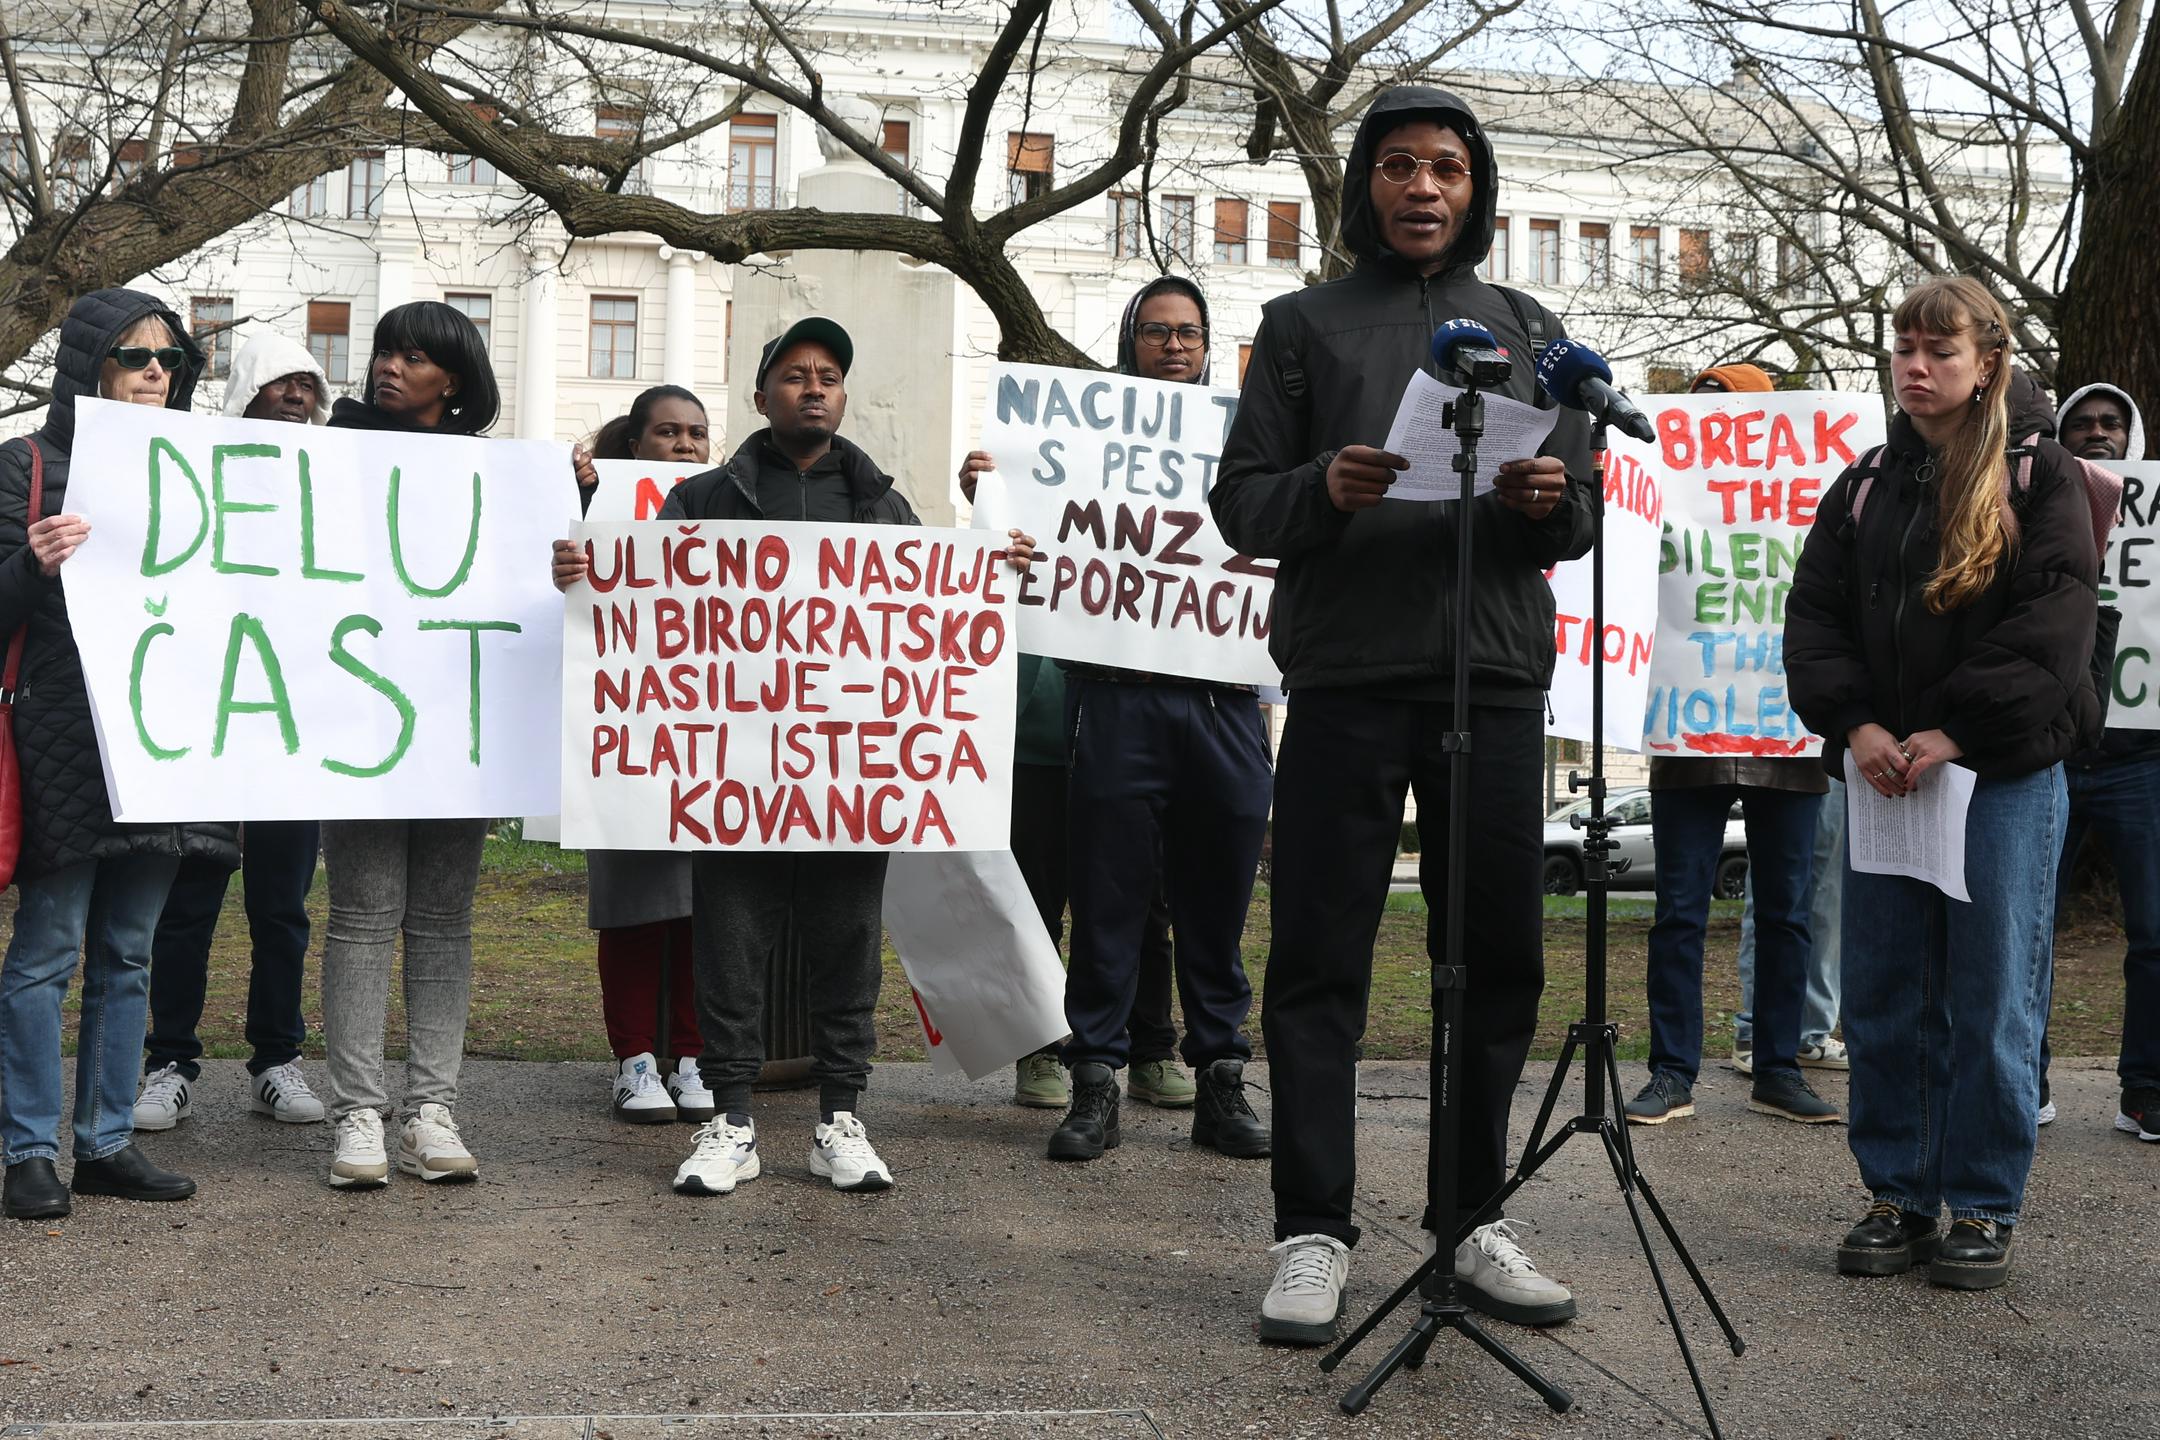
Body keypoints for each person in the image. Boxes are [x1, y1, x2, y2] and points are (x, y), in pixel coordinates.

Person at [1211, 86, 1591, 1343]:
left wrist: (1551, 500)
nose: (1422, 188)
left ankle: (1469, 1218)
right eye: (1397, 166)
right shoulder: (1300, 326)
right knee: (1320, 963)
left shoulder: (1531, 327)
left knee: (1495, 964)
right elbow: (1244, 505)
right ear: (1365, 186)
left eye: (1445, 169)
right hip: (1347, 683)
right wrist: (1325, 483)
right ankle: (1313, 1231)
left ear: (1476, 189)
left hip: (1492, 681)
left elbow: (1580, 518)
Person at [552, 317, 1035, 1198]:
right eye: (796, 374)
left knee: (847, 947)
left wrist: (994, 576)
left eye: (830, 376)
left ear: (843, 396)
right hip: (733, 782)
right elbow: (643, 609)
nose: (815, 387)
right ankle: (731, 1121)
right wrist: (584, 572)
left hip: (848, 785)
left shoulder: (885, 508)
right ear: (763, 394)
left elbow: (925, 629)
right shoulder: (701, 501)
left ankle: (840, 1117)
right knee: (730, 946)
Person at [1787, 275, 2101, 1291]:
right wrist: (1861, 725)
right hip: (1887, 778)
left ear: (1987, 365)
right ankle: (1898, 1194)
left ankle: (1983, 1205)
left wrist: (1952, 732)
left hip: (1999, 781)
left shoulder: (2042, 477)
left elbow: (2054, 626)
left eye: (1939, 351)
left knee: (1993, 996)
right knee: (1885, 994)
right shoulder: (1864, 481)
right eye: (1903, 349)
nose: (1915, 368)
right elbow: (1814, 622)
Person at [992, 276, 1270, 1164]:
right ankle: (1097, 1080)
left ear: (1208, 343)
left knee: (1218, 908)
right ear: (1131, 340)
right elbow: (1032, 543)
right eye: (1156, 331)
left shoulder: (1250, 441)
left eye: (1189, 332)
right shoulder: (1076, 438)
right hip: (1114, 695)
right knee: (1109, 902)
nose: (1174, 346)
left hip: (1226, 698)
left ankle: (1221, 1077)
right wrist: (1001, 508)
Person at [318, 299, 591, 1191]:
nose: (390, 367)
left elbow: (533, 587)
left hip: (463, 724)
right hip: (360, 721)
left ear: (457, 380)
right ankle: (358, 1112)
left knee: (442, 921)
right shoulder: (323, 458)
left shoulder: (504, 478)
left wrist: (572, 511)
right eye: (384, 352)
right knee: (361, 918)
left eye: (415, 356)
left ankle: (430, 1108)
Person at [0, 289, 237, 1221]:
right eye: (134, 355)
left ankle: (103, 1143)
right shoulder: (25, 466)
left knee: (130, 952)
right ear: (85, 364)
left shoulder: (211, 467)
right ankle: (26, 1150)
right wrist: (32, 563)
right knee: (47, 952)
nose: (153, 372)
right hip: (66, 736)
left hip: (168, 737)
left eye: (169, 360)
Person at [1628, 362, 1838, 1129]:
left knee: (1787, 912)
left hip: (1788, 735)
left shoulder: (1814, 490)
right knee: (1678, 910)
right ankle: (1671, 1072)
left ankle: (1778, 1066)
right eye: (1698, 410)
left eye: (1726, 412)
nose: (1708, 424)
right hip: (1689, 733)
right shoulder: (1662, 489)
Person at [134, 333, 333, 1135]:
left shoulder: (333, 481)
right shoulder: (195, 471)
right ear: (247, 390)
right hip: (210, 722)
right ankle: (169, 1060)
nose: (296, 395)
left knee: (282, 907)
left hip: (293, 729)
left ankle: (275, 1059)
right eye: (280, 381)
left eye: (308, 385)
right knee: (187, 903)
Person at [582, 385, 716, 1126]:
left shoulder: (735, 510)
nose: (685, 446)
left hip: (710, 741)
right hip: (627, 734)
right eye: (667, 433)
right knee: (634, 908)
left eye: (697, 433)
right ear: (635, 445)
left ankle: (694, 1055)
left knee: (704, 908)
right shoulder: (597, 515)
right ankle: (635, 1060)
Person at [2047, 380, 2158, 1142]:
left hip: (2140, 761)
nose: (2096, 432)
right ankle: (2023, 1079)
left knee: (2154, 934)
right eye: (2081, 423)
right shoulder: (2036, 508)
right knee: (2024, 934)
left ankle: (2145, 1090)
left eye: (2110, 422)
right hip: (2049, 757)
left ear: (2132, 435)